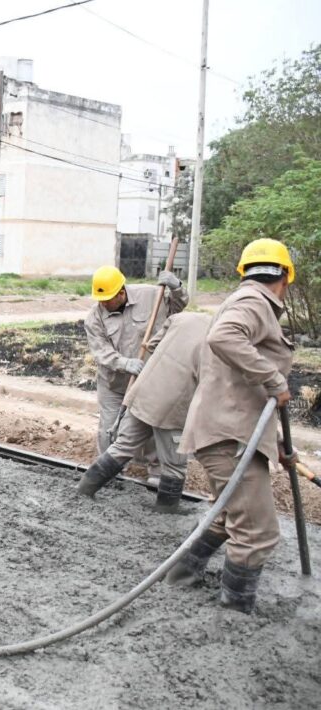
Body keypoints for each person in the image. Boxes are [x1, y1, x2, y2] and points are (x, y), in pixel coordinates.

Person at [166, 238, 296, 614]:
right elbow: (223, 337)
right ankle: (235, 615)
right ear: (286, 277)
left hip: (232, 431)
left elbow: (248, 391)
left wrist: (279, 443)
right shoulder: (254, 301)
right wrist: (273, 378)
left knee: (228, 516)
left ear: (245, 271)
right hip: (228, 436)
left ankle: (182, 575)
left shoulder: (250, 301)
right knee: (257, 530)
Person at [77, 312, 211, 510]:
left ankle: (83, 490)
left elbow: (152, 344)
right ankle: (166, 510)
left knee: (123, 445)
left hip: (144, 389)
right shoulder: (222, 336)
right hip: (173, 403)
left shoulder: (183, 318)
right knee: (175, 464)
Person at [85, 266, 189, 458]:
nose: (103, 303)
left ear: (121, 293)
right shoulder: (94, 317)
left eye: (107, 299)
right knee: (109, 428)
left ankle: (151, 468)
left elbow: (177, 308)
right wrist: (124, 363)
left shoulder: (151, 296)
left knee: (148, 424)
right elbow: (101, 351)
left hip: (148, 381)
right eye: (100, 299)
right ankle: (108, 469)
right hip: (114, 384)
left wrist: (177, 288)